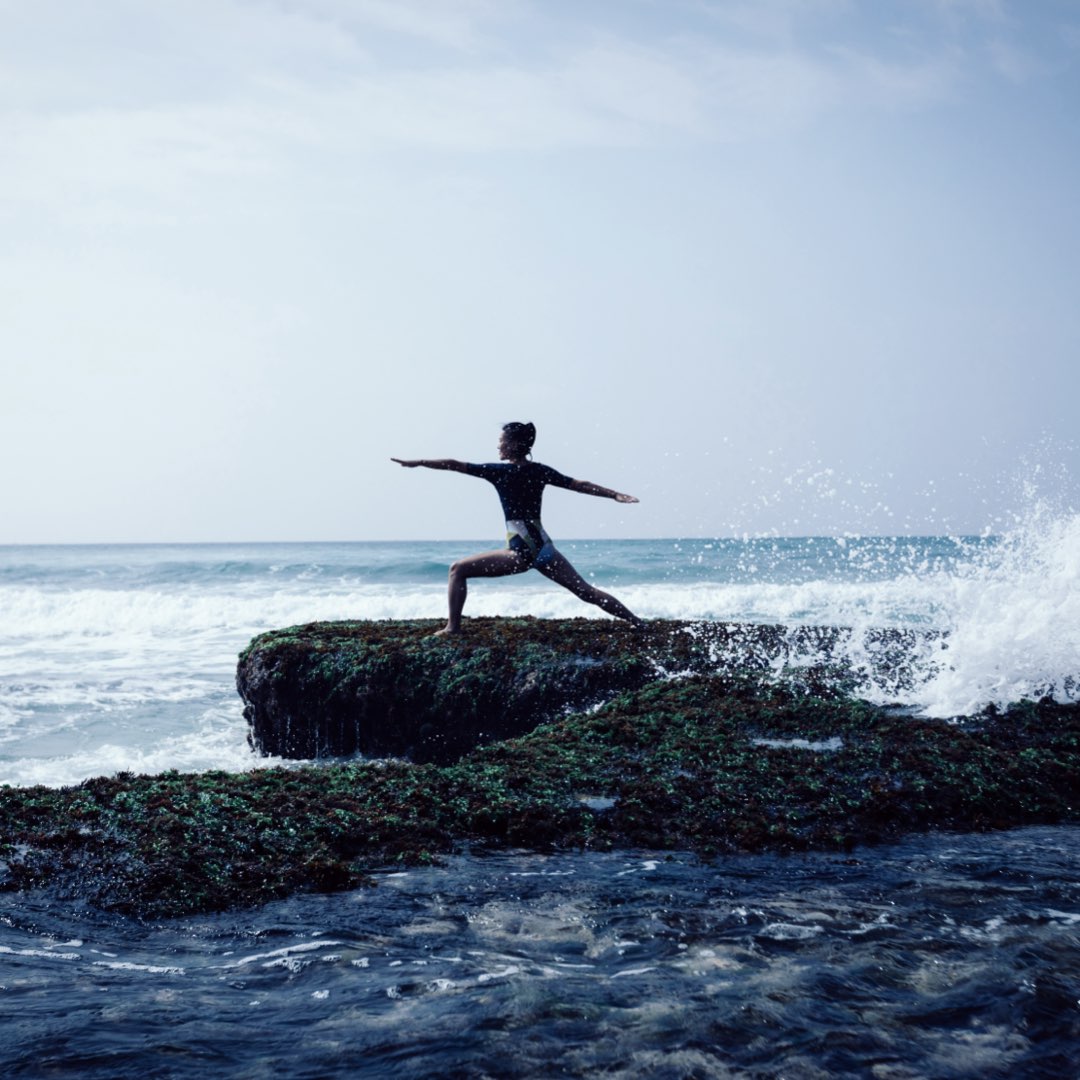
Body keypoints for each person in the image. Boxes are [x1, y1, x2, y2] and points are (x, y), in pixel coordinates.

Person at [392, 422, 642, 635]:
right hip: (544, 548)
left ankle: (452, 628)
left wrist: (420, 462)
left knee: (457, 569)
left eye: (501, 441)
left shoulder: (498, 471)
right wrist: (615, 495)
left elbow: (454, 464)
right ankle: (637, 622)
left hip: (521, 552)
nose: (498, 446)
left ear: (513, 444)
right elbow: (579, 484)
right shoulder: (540, 470)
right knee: (586, 591)